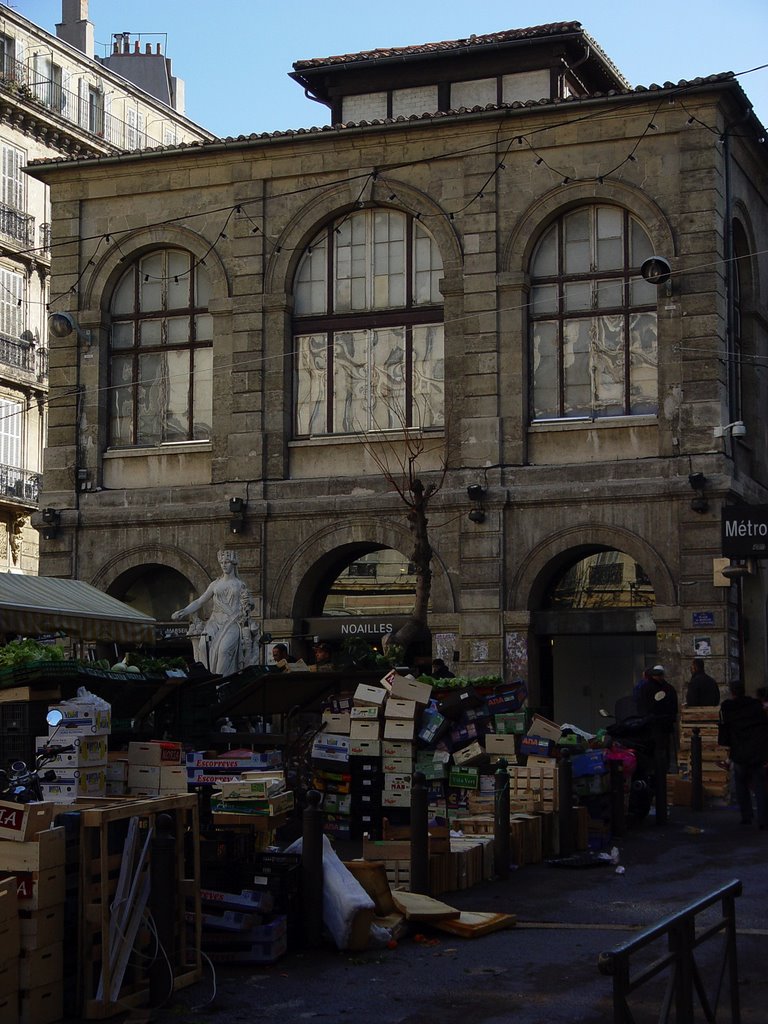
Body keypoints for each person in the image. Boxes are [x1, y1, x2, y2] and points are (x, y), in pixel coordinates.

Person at [171, 549, 257, 677]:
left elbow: (250, 605)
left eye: (227, 562)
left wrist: (248, 604)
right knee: (203, 647)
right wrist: (184, 611)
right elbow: (199, 601)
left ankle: (221, 682)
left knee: (223, 650)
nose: (224, 565)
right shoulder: (215, 584)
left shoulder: (240, 584)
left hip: (232, 622)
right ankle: (207, 679)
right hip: (214, 621)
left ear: (233, 563)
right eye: (222, 562)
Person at [718, 680, 768, 828]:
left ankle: (746, 816)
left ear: (732, 692)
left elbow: (724, 732)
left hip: (739, 751)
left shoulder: (728, 708)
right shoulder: (755, 706)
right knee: (759, 785)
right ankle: (763, 819)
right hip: (757, 751)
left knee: (741, 784)